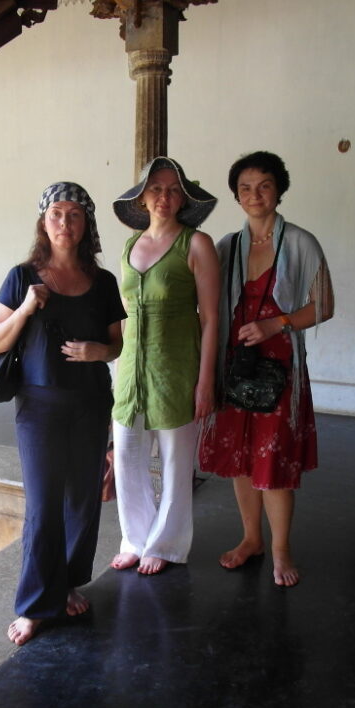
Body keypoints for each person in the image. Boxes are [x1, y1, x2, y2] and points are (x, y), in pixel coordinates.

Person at [0, 182, 125, 646]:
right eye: (57, 214)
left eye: (75, 215)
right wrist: (26, 307)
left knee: (82, 501)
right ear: (44, 223)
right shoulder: (22, 276)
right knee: (44, 505)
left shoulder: (103, 282)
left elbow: (116, 344)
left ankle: (66, 584)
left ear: (87, 224)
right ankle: (33, 605)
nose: (65, 223)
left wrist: (99, 351)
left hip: (90, 402)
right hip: (40, 406)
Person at [198, 150, 334, 587]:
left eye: (264, 186)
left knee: (272, 460)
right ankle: (251, 539)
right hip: (236, 365)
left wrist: (277, 323)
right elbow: (206, 305)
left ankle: (281, 550)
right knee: (241, 458)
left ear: (279, 190)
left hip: (279, 369)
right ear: (236, 196)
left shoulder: (301, 243)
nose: (254, 195)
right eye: (245, 188)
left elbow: (324, 306)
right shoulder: (226, 247)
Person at [109, 156, 220, 575]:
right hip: (130, 370)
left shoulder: (197, 244)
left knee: (175, 460)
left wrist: (205, 381)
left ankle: (167, 544)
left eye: (174, 190)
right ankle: (135, 538)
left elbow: (211, 318)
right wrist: (117, 368)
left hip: (176, 367)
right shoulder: (128, 247)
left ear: (184, 198)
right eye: (156, 188)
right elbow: (123, 314)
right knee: (126, 455)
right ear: (142, 197)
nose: (164, 197)